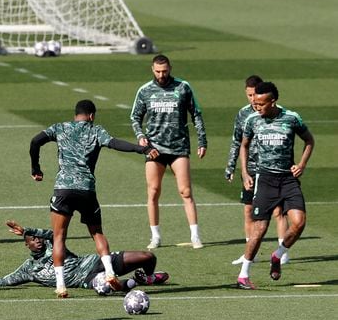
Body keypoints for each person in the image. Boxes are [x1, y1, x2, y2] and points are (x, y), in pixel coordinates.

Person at [30, 99, 158, 298]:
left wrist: (36, 168)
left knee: (58, 237)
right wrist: (142, 149)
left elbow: (35, 141)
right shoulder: (96, 130)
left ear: (76, 114)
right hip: (87, 190)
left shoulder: (60, 128)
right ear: (91, 116)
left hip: (63, 189)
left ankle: (61, 286)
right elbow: (116, 144)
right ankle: (109, 272)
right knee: (97, 233)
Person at [236, 81, 314, 290]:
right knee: (260, 228)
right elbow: (243, 146)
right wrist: (244, 173)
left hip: (288, 179)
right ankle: (243, 275)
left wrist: (302, 164)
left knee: (299, 222)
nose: (256, 106)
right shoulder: (252, 120)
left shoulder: (291, 118)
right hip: (265, 179)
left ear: (273, 102)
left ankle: (277, 255)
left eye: (261, 103)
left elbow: (309, 141)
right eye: (255, 102)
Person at [130, 54, 207, 249]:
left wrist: (202, 140)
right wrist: (140, 136)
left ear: (170, 68)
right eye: (158, 71)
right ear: (152, 69)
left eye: (164, 71)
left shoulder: (183, 87)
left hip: (178, 146)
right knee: (153, 191)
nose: (161, 75)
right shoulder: (145, 91)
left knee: (186, 191)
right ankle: (155, 236)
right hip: (154, 148)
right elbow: (135, 117)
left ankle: (195, 235)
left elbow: (196, 114)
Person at [0, 220, 169, 292]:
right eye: (33, 239)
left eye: (38, 238)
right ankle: (128, 283)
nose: (38, 241)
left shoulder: (53, 244)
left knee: (147, 257)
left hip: (95, 262)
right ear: (27, 245)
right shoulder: (28, 269)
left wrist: (27, 229)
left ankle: (147, 278)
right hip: (88, 279)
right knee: (104, 286)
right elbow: (4, 280)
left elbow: (52, 234)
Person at [225, 75, 290, 265]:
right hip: (251, 169)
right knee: (248, 210)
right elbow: (237, 141)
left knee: (279, 210)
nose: (253, 100)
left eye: (255, 95)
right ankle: (249, 254)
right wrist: (231, 166)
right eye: (249, 95)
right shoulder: (243, 114)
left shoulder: (277, 114)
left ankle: (282, 251)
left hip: (272, 169)